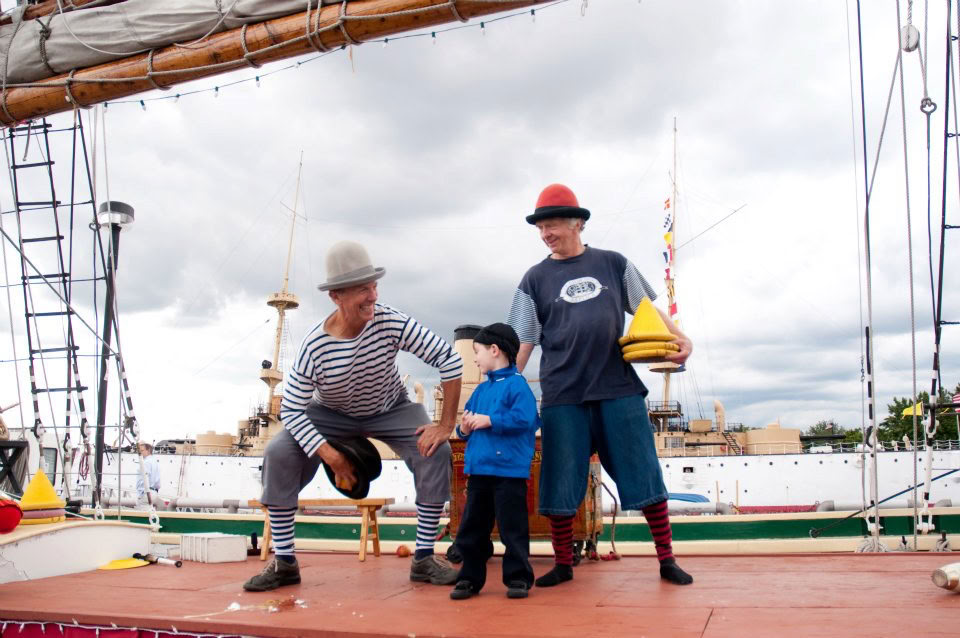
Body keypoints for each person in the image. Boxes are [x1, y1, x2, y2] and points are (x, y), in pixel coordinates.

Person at [244, 240, 464, 592]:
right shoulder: (314, 346)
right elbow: (291, 409)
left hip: (390, 407)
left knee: (433, 450)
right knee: (278, 453)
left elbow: (449, 360)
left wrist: (444, 425)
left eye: (374, 285)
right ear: (336, 296)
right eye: (363, 289)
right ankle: (285, 561)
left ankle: (423, 558)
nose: (373, 295)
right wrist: (331, 456)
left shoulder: (390, 321)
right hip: (328, 414)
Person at [507, 183, 694, 587]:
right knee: (559, 482)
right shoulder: (533, 279)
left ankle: (666, 560)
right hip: (562, 396)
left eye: (552, 224)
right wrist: (506, 387)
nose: (545, 233)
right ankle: (563, 564)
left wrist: (682, 338)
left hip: (618, 389)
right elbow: (522, 341)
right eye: (540, 227)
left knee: (645, 476)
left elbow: (647, 309)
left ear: (578, 222)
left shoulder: (614, 263)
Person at [449, 323, 540, 601]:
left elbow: (527, 420)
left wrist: (490, 420)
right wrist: (463, 429)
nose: (475, 358)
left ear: (494, 350)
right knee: (473, 527)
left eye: (477, 352)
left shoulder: (518, 386)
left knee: (513, 528)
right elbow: (466, 426)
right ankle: (469, 578)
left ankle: (518, 577)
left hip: (509, 472)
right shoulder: (480, 391)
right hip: (480, 471)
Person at [135, 442, 161, 508]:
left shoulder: (146, 462)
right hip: (154, 493)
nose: (140, 453)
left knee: (143, 516)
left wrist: (141, 493)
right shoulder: (155, 462)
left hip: (146, 494)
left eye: (142, 450)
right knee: (151, 514)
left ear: (148, 450)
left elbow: (144, 478)